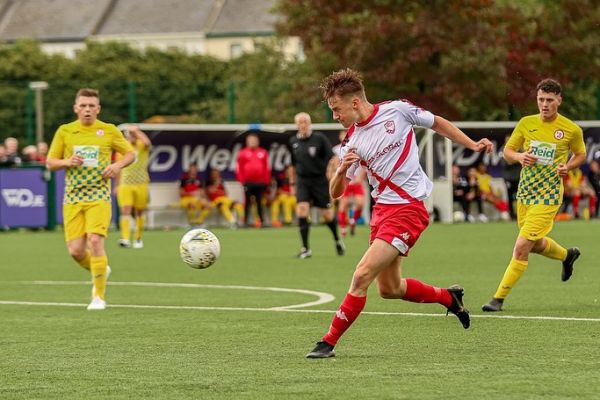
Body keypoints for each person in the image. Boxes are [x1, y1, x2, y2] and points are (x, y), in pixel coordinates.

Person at [306, 68, 492, 358]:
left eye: (336, 109)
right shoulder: (350, 142)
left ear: (354, 103)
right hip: (382, 213)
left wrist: (471, 144)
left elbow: (437, 123)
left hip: (408, 210)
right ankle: (449, 297)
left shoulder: (398, 111)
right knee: (389, 289)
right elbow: (335, 193)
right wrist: (342, 171)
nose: (335, 116)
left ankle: (327, 342)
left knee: (361, 276)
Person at [482, 79, 585, 312]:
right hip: (526, 192)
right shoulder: (526, 123)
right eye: (541, 99)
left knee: (521, 246)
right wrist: (519, 157)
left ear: (559, 100)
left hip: (549, 195)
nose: (545, 104)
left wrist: (567, 167)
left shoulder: (571, 129)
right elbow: (508, 152)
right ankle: (567, 256)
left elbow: (580, 155)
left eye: (550, 100)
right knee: (535, 244)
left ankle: (498, 298)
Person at [46, 88, 134, 311]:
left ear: (98, 109)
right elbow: (50, 162)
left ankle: (98, 297)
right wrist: (67, 162)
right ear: (75, 108)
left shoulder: (109, 130)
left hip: (99, 195)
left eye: (91, 106)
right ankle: (101, 269)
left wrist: (116, 166)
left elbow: (130, 154)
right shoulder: (65, 131)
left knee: (95, 241)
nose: (87, 110)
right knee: (76, 251)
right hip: (73, 197)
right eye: (83, 106)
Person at [289, 112, 344, 259]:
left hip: (319, 181)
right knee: (302, 210)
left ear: (310, 123)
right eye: (300, 122)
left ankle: (337, 240)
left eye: (305, 122)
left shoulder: (319, 139)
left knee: (326, 215)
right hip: (303, 181)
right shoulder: (293, 141)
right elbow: (293, 165)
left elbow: (334, 158)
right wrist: (292, 183)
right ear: (297, 125)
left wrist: (331, 173)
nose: (303, 125)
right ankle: (305, 249)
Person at [115, 125, 151, 248]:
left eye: (133, 134)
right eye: (129, 134)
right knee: (125, 210)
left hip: (141, 183)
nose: (132, 136)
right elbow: (118, 168)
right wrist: (117, 185)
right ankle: (125, 238)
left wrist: (137, 131)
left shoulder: (141, 146)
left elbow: (147, 142)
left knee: (139, 212)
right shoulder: (122, 149)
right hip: (126, 184)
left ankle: (138, 238)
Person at [332, 130, 367, 236]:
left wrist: (360, 177)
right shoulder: (337, 150)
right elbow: (334, 164)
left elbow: (363, 164)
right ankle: (343, 228)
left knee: (360, 204)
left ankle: (353, 221)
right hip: (346, 181)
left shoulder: (359, 147)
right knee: (343, 205)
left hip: (356, 181)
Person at [235, 133, 271, 228]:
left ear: (257, 141)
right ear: (247, 142)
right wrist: (242, 181)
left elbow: (267, 168)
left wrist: (266, 181)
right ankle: (245, 222)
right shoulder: (242, 153)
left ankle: (262, 222)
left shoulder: (263, 152)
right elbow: (239, 169)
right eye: (251, 140)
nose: (252, 142)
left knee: (260, 202)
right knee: (247, 203)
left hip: (260, 182)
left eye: (254, 140)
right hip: (248, 182)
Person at [501, 135, 521, 220]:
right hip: (509, 178)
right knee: (509, 196)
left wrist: (514, 158)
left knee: (520, 196)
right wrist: (516, 158)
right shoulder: (504, 151)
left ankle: (519, 214)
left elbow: (522, 160)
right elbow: (505, 163)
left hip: (518, 177)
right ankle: (511, 214)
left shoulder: (518, 149)